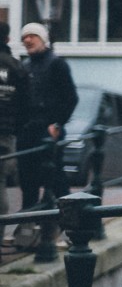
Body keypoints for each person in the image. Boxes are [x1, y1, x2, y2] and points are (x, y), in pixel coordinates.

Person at [17, 22, 77, 209]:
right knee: (27, 180)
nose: (27, 40)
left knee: (55, 178)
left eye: (32, 36)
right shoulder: (24, 66)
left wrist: (57, 123)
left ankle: (74, 219)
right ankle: (29, 223)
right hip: (28, 130)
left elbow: (70, 98)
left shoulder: (57, 64)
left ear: (43, 39)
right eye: (24, 37)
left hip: (48, 129)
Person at [0, 23, 30, 218]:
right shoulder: (17, 67)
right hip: (5, 133)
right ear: (8, 39)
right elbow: (26, 104)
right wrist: (14, 129)